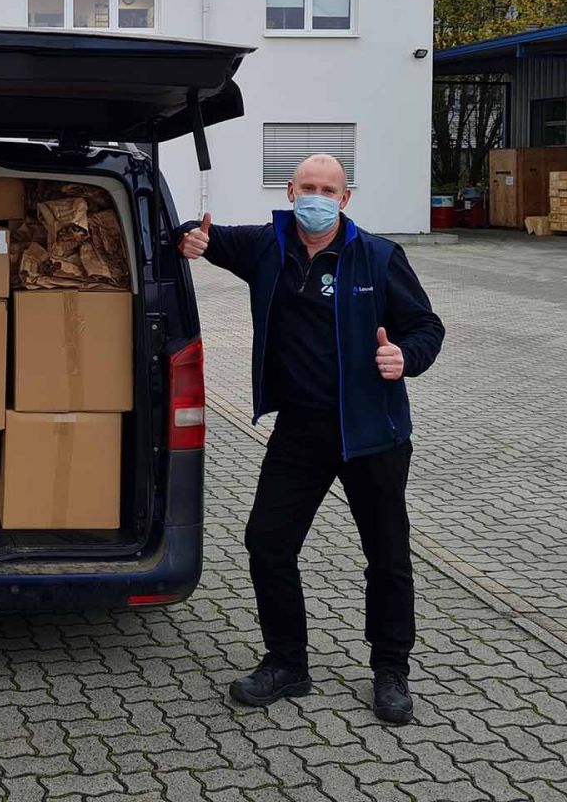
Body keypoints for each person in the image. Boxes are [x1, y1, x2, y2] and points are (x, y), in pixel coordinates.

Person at [179, 154, 444, 724]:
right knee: (268, 542)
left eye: (329, 189)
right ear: (290, 190)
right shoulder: (266, 247)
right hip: (300, 428)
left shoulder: (377, 255)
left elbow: (427, 327)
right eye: (308, 187)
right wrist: (188, 241)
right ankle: (287, 663)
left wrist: (406, 357)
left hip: (374, 431)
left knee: (387, 555)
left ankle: (391, 670)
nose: (317, 197)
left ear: (345, 199)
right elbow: (200, 233)